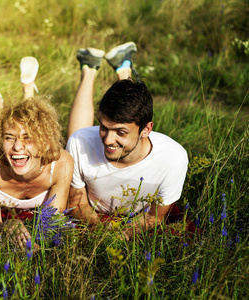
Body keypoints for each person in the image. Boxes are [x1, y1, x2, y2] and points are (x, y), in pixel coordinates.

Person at [65, 42, 189, 240]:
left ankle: (120, 66)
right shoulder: (81, 141)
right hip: (95, 211)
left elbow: (154, 216)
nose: (108, 139)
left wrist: (124, 235)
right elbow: (75, 201)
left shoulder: (174, 158)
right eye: (103, 127)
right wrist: (99, 231)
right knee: (77, 136)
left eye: (120, 132)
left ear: (146, 129)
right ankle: (92, 68)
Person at [0, 57, 74, 248]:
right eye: (9, 138)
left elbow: (50, 224)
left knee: (23, 125)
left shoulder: (62, 163)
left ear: (46, 143)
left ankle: (27, 91)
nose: (18, 146)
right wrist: (9, 225)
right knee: (2, 139)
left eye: (28, 137)